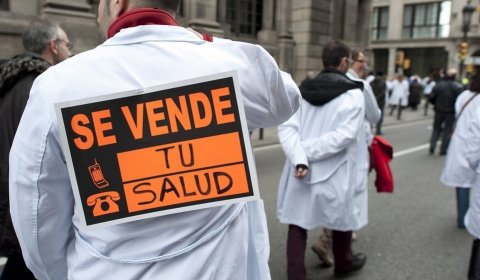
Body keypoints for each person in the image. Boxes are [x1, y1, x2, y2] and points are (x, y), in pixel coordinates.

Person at [9, 1, 300, 279]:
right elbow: (285, 98)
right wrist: (205, 42)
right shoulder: (231, 66)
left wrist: (65, 273)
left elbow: (36, 212)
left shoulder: (57, 85)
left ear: (117, 3)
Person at [277, 40, 367, 279]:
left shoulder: (300, 90)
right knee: (340, 219)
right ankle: (343, 263)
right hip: (335, 169)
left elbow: (287, 129)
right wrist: (305, 153)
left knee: (298, 223)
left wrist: (301, 156)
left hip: (301, 169)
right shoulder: (353, 94)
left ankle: (296, 275)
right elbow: (344, 137)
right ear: (344, 62)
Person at [0, 19, 71, 280]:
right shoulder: (42, 87)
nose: (69, 51)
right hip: (27, 206)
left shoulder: (11, 79)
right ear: (53, 46)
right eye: (67, 44)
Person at [310, 49, 380, 267]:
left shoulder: (318, 82)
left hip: (324, 145)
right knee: (346, 197)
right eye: (360, 61)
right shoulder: (359, 86)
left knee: (337, 195)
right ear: (346, 61)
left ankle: (336, 245)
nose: (363, 66)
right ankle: (336, 249)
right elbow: (375, 115)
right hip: (349, 148)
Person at [440, 49, 480, 278]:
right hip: (471, 148)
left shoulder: (465, 95)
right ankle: (465, 218)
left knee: (462, 184)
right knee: (470, 184)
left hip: (462, 144)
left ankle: (462, 217)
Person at [428, 68, 463, 155]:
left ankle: (432, 145)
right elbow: (460, 100)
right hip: (450, 112)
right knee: (447, 130)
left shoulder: (438, 85)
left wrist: (436, 104)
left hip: (439, 111)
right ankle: (443, 149)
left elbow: (431, 97)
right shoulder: (457, 86)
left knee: (436, 129)